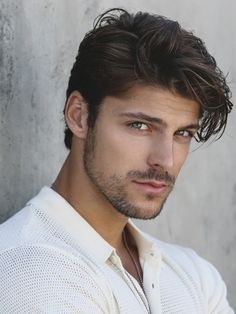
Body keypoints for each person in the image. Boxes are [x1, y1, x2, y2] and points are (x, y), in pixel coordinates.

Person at [0, 8, 234, 313]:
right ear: (79, 116)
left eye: (183, 133)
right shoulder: (31, 269)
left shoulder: (195, 276)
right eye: (140, 126)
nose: (165, 159)